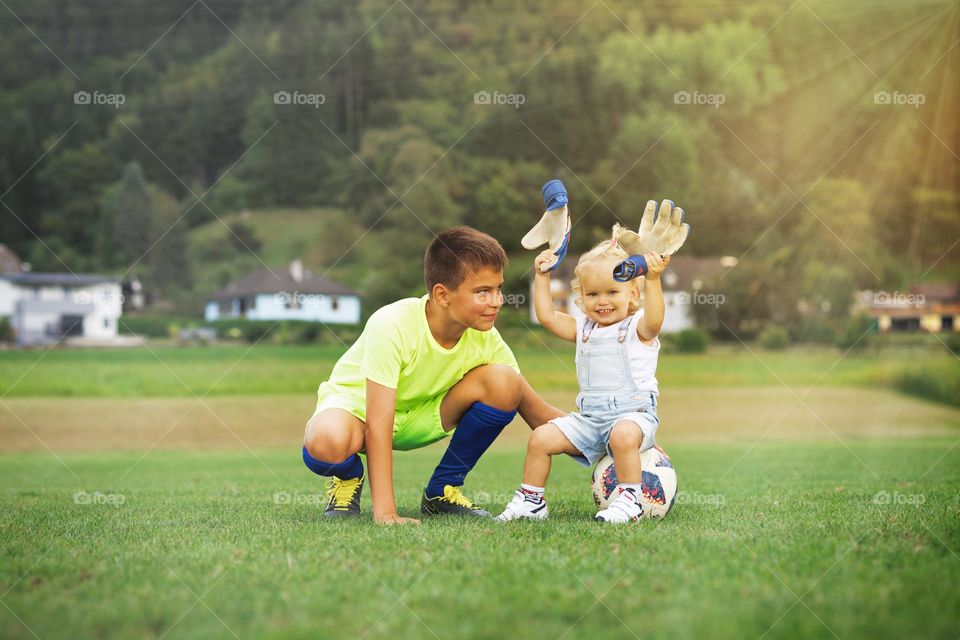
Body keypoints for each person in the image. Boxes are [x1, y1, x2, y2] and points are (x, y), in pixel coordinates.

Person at [302, 226, 563, 525]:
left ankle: (442, 491)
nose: (497, 301)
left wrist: (606, 434)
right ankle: (348, 477)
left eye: (498, 289)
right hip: (358, 411)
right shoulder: (391, 324)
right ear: (442, 295)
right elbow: (378, 421)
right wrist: (386, 513)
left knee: (505, 382)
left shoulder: (486, 337)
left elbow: (535, 410)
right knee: (326, 441)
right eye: (482, 292)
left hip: (422, 416)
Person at [496, 236, 670, 523]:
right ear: (581, 297)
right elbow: (547, 316)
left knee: (622, 434)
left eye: (612, 292)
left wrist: (653, 280)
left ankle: (629, 501)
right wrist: (542, 275)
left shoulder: (637, 328)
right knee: (541, 438)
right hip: (590, 421)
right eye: (592, 295)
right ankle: (532, 501)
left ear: (632, 293)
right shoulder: (583, 329)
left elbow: (655, 320)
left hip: (634, 416)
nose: (602, 301)